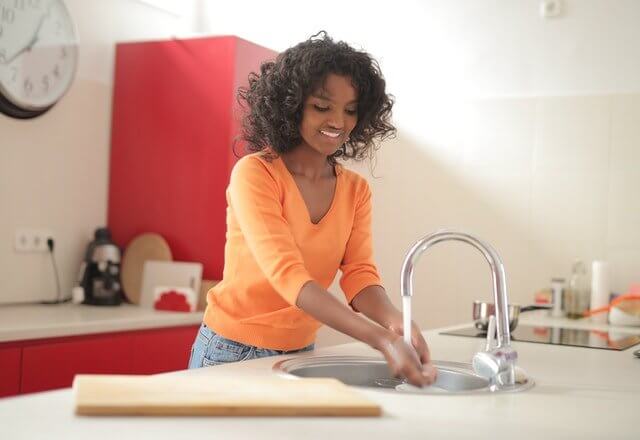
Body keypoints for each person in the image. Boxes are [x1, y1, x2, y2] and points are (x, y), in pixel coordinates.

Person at [188, 31, 437, 387]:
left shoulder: (355, 190)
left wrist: (395, 321)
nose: (338, 121)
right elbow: (289, 277)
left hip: (299, 351)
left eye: (350, 110)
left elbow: (360, 275)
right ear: (292, 105)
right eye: (322, 106)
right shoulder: (255, 174)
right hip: (230, 349)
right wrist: (382, 340)